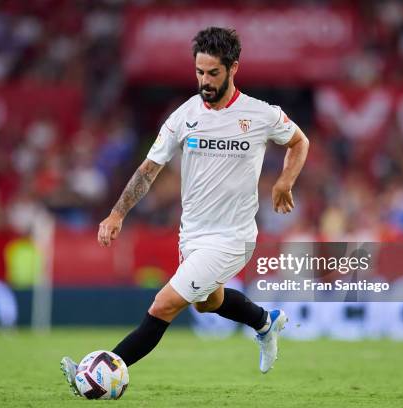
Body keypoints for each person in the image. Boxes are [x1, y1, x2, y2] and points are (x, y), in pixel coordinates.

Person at [61, 26, 309, 396]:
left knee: (164, 304)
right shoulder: (184, 116)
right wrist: (117, 214)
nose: (205, 81)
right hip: (192, 234)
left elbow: (299, 141)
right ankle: (264, 321)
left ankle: (97, 373)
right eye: (199, 72)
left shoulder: (260, 115)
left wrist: (284, 181)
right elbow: (148, 170)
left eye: (213, 73)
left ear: (233, 69)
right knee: (209, 302)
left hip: (232, 238)